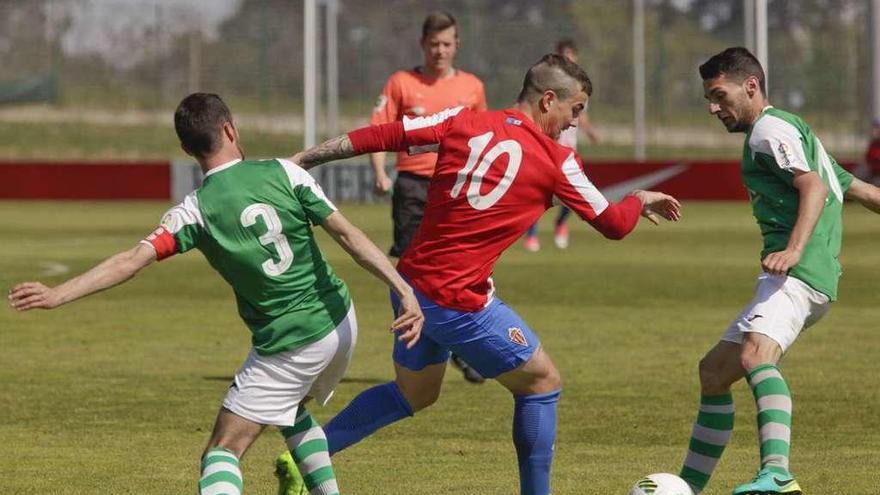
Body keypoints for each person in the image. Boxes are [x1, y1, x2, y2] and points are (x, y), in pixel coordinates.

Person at [282, 53, 681, 495]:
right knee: (542, 384)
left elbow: (385, 134)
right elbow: (615, 224)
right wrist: (639, 199)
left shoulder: (461, 120)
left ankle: (308, 457)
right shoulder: (557, 160)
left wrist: (306, 157)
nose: (573, 123)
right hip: (456, 301)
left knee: (415, 393)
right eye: (576, 110)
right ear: (549, 100)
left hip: (410, 288)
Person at [7, 93, 424, 495]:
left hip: (291, 341)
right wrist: (402, 287)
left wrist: (58, 294)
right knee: (291, 411)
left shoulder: (194, 211)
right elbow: (348, 235)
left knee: (222, 450)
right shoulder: (284, 171)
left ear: (187, 148)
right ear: (229, 128)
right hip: (341, 321)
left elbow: (130, 261)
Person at [677, 47, 880, 495]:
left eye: (719, 94)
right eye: (708, 98)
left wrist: (792, 250)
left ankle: (778, 474)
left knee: (754, 356)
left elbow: (812, 185)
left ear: (750, 86)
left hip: (798, 273)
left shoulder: (769, 130)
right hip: (808, 276)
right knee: (713, 371)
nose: (714, 108)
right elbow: (862, 190)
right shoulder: (795, 129)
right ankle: (688, 486)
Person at [369, 10, 488, 385]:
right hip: (413, 188)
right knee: (411, 272)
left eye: (447, 44)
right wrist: (379, 173)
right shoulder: (402, 82)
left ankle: (455, 346)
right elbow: (380, 129)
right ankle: (431, 349)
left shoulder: (473, 87)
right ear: (423, 44)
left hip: (455, 190)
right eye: (434, 44)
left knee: (457, 271)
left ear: (457, 45)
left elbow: (486, 138)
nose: (440, 51)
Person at [523, 38, 599, 252]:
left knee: (574, 193)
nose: (568, 58)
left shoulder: (581, 86)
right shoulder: (548, 83)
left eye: (571, 55)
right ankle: (531, 235)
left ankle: (561, 223)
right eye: (564, 55)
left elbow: (581, 115)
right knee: (535, 193)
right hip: (546, 146)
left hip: (568, 148)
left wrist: (589, 130)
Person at [865, 117, 880, 185]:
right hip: (873, 175)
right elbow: (868, 161)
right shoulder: (874, 144)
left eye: (878, 128)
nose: (875, 130)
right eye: (875, 128)